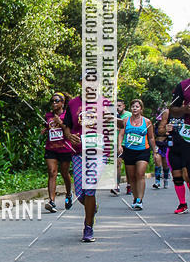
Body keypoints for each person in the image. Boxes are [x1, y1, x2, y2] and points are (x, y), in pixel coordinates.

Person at [63, 86, 111, 243]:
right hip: (78, 153)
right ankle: (92, 207)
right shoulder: (73, 104)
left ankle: (88, 227)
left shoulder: (104, 102)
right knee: (80, 193)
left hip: (99, 152)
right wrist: (69, 136)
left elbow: (119, 124)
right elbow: (66, 126)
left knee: (90, 188)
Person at [117, 98, 157, 210]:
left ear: (141, 109)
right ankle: (135, 198)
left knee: (140, 174)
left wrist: (155, 152)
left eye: (137, 107)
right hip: (129, 151)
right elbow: (121, 134)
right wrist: (120, 145)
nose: (135, 108)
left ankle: (140, 199)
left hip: (143, 151)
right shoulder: (126, 121)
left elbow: (151, 137)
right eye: (133, 107)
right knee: (132, 176)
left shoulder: (147, 122)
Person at [163, 76, 190, 214]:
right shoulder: (184, 85)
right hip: (182, 139)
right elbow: (173, 109)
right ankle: (182, 203)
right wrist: (185, 109)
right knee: (178, 174)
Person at [44, 92, 73, 212]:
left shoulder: (68, 115)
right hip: (51, 148)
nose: (54, 103)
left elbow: (69, 131)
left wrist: (60, 123)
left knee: (65, 173)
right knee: (52, 172)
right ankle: (51, 201)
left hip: (65, 148)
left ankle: (69, 194)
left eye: (56, 101)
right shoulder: (48, 115)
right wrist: (45, 128)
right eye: (52, 101)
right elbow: (48, 126)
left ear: (62, 103)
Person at [111, 99, 132, 196]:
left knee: (128, 166)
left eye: (119, 106)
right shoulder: (112, 115)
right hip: (116, 143)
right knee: (117, 163)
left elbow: (126, 127)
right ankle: (116, 185)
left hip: (128, 143)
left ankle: (129, 185)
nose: (117, 108)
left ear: (124, 106)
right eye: (115, 106)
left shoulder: (129, 115)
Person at [152, 106, 170, 189]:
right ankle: (157, 181)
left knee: (165, 163)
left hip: (166, 144)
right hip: (158, 144)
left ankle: (166, 179)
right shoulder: (155, 125)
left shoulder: (169, 124)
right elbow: (152, 136)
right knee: (157, 161)